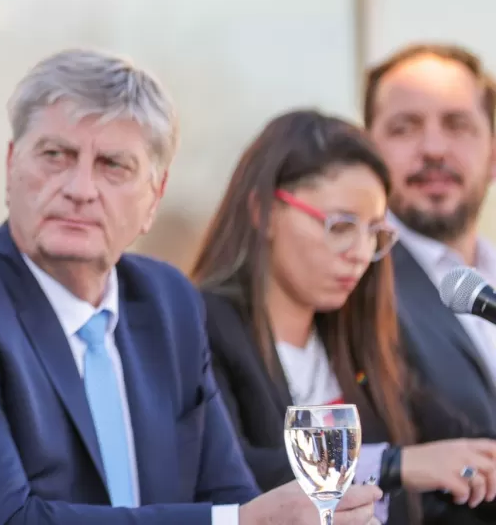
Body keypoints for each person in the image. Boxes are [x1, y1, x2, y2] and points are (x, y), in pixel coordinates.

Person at [0, 49, 381, 525]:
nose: (80, 188)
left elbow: (224, 493)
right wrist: (238, 521)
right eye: (55, 156)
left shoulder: (168, 303)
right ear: (11, 165)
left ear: (154, 197)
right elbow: (3, 521)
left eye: (113, 165)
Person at [191, 109, 496, 525]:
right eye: (340, 226)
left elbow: (454, 443)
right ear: (263, 212)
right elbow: (237, 472)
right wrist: (395, 464)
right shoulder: (200, 324)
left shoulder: (355, 337)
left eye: (374, 232)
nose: (359, 253)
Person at [363, 45, 496, 437]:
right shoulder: (351, 284)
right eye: (405, 128)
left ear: (493, 153)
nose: (434, 149)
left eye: (458, 126)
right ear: (366, 150)